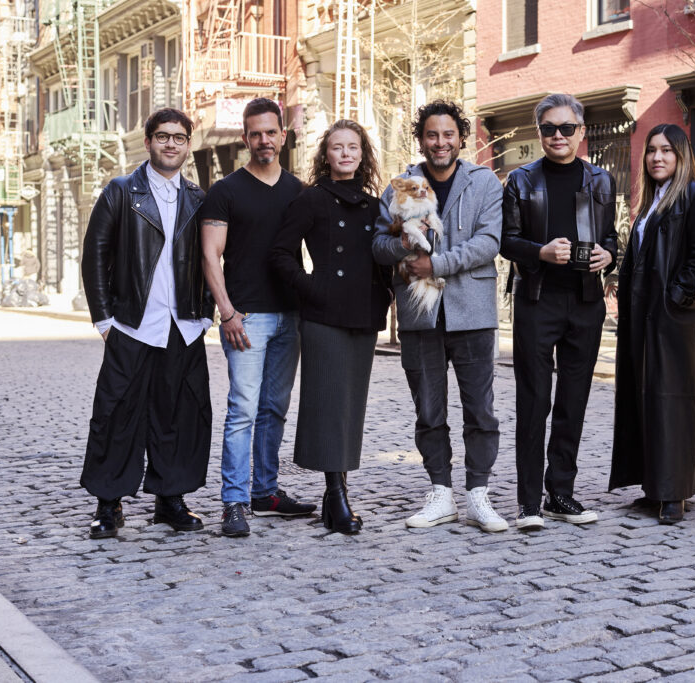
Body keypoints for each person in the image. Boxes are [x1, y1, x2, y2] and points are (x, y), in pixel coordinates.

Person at [372, 100, 508, 533]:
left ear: (460, 138)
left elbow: (489, 242)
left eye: (448, 135)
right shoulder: (400, 186)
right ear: (421, 139)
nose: (440, 143)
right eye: (432, 135)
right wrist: (404, 247)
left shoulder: (484, 182)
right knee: (428, 409)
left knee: (480, 410)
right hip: (420, 313)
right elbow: (377, 245)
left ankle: (479, 494)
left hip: (473, 311)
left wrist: (437, 263)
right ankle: (441, 493)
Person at [80, 108, 213, 539]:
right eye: (162, 136)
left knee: (178, 414)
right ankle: (108, 504)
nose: (170, 144)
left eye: (178, 138)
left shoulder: (198, 197)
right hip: (132, 324)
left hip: (184, 326)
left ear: (188, 145)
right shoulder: (121, 192)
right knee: (116, 413)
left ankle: (170, 500)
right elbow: (95, 256)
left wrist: (206, 312)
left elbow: (213, 259)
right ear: (148, 141)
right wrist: (104, 319)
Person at [500, 94, 617, 530]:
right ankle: (529, 501)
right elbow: (506, 240)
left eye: (567, 128)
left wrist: (610, 256)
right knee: (533, 401)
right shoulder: (521, 180)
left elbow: (612, 238)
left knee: (573, 400)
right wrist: (541, 252)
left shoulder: (601, 181)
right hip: (536, 299)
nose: (558, 136)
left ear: (581, 132)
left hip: (586, 301)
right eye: (549, 128)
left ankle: (560, 493)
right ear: (539, 132)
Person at [201, 98, 315, 538]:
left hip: (290, 317)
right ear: (245, 138)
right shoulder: (226, 190)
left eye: (271, 132)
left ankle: (265, 492)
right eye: (255, 133)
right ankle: (233, 501)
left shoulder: (299, 191)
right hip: (245, 318)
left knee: (275, 408)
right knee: (243, 410)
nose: (264, 140)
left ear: (283, 136)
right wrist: (226, 311)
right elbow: (210, 255)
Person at [269, 120, 391, 534]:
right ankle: (336, 495)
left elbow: (385, 256)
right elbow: (281, 254)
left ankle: (334, 493)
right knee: (328, 405)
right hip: (323, 317)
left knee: (351, 407)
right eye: (337, 147)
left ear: (362, 154)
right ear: (327, 154)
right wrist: (313, 289)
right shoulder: (312, 200)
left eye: (353, 147)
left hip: (364, 315)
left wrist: (388, 295)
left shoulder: (375, 206)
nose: (345, 154)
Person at [608, 123, 695, 524]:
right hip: (640, 317)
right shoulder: (650, 202)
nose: (657, 157)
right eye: (652, 150)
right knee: (643, 395)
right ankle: (654, 485)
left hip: (673, 318)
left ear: (681, 155)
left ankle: (675, 491)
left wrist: (678, 295)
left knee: (674, 398)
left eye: (667, 151)